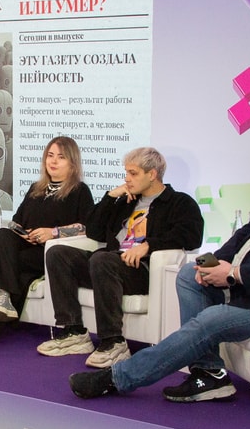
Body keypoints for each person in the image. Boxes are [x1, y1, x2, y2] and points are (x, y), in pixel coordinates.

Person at [69, 121, 250, 403]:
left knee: (209, 321)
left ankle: (118, 377)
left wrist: (235, 273)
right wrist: (215, 262)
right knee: (190, 274)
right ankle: (210, 373)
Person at [39, 147, 204, 369]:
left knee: (102, 260)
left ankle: (113, 342)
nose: (127, 178)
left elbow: (191, 236)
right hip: (107, 264)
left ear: (152, 174)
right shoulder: (127, 202)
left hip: (139, 270)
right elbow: (94, 231)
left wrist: (148, 245)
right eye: (126, 172)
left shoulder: (179, 202)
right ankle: (74, 332)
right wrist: (110, 197)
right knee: (58, 253)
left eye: (133, 173)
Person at [0, 137, 94, 352]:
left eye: (61, 157)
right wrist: (23, 233)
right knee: (2, 233)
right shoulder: (36, 189)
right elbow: (15, 222)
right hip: (24, 248)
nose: (53, 161)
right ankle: (1, 297)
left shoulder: (79, 191)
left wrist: (53, 233)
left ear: (73, 163)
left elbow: (87, 226)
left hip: (49, 253)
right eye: (50, 155)